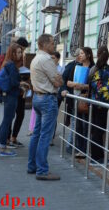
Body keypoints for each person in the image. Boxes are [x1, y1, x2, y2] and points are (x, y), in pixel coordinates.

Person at [27, 34, 63, 180]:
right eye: (52, 43)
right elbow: (57, 82)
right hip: (47, 99)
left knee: (37, 133)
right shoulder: (46, 59)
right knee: (45, 135)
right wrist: (59, 78)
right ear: (45, 44)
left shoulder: (36, 58)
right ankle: (42, 170)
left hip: (37, 97)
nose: (54, 45)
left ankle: (32, 166)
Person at [88, 46, 109, 166]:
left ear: (98, 54)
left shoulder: (93, 69)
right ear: (108, 56)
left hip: (96, 104)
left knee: (96, 130)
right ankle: (97, 158)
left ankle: (97, 157)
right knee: (99, 131)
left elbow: (91, 87)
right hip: (108, 104)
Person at [0, 43, 23, 157]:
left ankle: (1, 146)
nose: (21, 55)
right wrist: (21, 84)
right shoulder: (11, 65)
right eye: (18, 52)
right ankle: (2, 148)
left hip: (8, 95)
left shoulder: (8, 63)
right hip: (11, 96)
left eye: (21, 52)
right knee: (7, 122)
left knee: (6, 121)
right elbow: (13, 82)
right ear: (12, 53)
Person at [67, 47, 94, 158]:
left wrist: (82, 86)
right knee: (78, 124)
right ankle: (78, 148)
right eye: (80, 53)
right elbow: (68, 82)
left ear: (88, 55)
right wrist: (75, 85)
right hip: (76, 98)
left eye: (82, 53)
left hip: (87, 100)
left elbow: (94, 85)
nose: (80, 55)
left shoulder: (93, 68)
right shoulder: (76, 66)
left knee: (86, 125)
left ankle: (84, 149)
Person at [7, 37, 30, 148]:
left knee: (20, 114)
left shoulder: (22, 58)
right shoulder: (11, 59)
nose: (22, 53)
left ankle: (13, 137)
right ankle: (7, 139)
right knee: (10, 115)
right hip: (13, 91)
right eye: (21, 50)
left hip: (21, 91)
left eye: (23, 50)